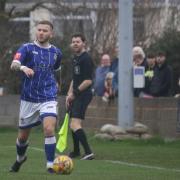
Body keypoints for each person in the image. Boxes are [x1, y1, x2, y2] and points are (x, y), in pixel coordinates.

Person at [9, 20, 62, 173]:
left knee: (49, 129)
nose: (41, 33)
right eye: (39, 30)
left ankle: (51, 165)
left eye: (45, 31)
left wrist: (58, 84)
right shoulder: (26, 48)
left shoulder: (57, 52)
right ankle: (20, 159)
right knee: (22, 138)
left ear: (51, 33)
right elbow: (14, 64)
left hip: (48, 95)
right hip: (29, 98)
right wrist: (24, 67)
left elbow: (57, 69)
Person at [66, 33, 94, 160]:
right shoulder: (75, 58)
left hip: (84, 95)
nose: (75, 43)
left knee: (75, 124)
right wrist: (69, 94)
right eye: (73, 42)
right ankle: (76, 151)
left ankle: (88, 152)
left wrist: (75, 94)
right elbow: (74, 78)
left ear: (84, 43)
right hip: (76, 94)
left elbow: (88, 81)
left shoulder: (86, 58)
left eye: (78, 41)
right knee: (72, 123)